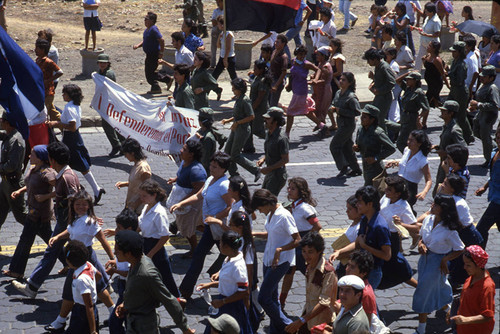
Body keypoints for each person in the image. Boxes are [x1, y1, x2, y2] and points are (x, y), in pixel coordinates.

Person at [11, 142, 80, 298]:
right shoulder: (62, 174)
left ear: (52, 159)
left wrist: (73, 224)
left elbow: (76, 199)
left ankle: (31, 286)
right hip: (64, 221)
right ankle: (104, 284)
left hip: (64, 221)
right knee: (58, 250)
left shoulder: (65, 177)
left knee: (54, 251)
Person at [46, 189, 115, 332]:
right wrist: (58, 237)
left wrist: (113, 259)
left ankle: (60, 321)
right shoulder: (76, 219)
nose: (80, 207)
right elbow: (70, 230)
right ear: (73, 205)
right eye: (78, 204)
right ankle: (114, 313)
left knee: (70, 291)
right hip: (78, 257)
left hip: (84, 258)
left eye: (84, 204)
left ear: (89, 206)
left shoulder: (90, 222)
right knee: (100, 287)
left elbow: (103, 241)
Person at [171, 152, 233, 299]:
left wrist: (216, 218)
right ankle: (185, 292)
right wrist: (181, 203)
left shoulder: (224, 185)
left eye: (215, 167)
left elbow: (231, 206)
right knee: (198, 256)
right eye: (211, 165)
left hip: (220, 229)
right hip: (210, 228)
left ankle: (234, 287)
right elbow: (199, 195)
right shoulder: (211, 179)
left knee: (230, 257)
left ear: (224, 169)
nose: (211, 168)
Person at [113, 230, 195, 334]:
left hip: (144, 327)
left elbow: (167, 299)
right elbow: (138, 292)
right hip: (133, 322)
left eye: (117, 251)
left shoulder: (146, 273)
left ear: (128, 253)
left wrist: (185, 328)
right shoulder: (135, 262)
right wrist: (125, 304)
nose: (115, 253)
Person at [3, 145, 63, 279]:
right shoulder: (34, 169)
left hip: (39, 214)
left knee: (25, 241)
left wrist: (46, 196)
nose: (29, 156)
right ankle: (68, 262)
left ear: (41, 158)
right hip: (34, 211)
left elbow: (61, 189)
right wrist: (20, 191)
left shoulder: (47, 173)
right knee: (51, 239)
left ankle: (16, 271)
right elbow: (31, 183)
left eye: (33, 154)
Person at [412, 194, 464, 334]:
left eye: (435, 205)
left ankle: (421, 329)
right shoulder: (429, 219)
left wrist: (445, 259)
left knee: (423, 292)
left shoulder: (449, 230)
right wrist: (421, 245)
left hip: (437, 264)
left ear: (443, 209)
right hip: (424, 260)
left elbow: (460, 248)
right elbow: (422, 237)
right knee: (436, 289)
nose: (432, 206)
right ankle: (450, 309)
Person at [47, 84, 105, 205]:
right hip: (72, 138)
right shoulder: (74, 106)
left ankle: (93, 189)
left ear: (70, 95)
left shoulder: (70, 108)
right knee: (74, 165)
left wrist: (56, 123)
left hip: (71, 139)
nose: (62, 95)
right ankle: (94, 189)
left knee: (68, 164)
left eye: (65, 93)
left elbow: (72, 126)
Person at [252, 188, 300, 334]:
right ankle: (276, 329)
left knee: (263, 298)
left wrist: (280, 250)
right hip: (268, 260)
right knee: (273, 299)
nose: (260, 212)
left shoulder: (284, 216)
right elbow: (271, 234)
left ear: (267, 203)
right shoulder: (271, 214)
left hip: (280, 262)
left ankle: (288, 325)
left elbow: (297, 240)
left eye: (260, 208)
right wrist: (254, 234)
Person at [197, 231, 253, 334]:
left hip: (232, 306)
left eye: (220, 243)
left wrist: (222, 302)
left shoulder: (238, 267)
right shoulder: (228, 258)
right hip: (224, 302)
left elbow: (244, 292)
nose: (219, 245)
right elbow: (229, 283)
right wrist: (210, 284)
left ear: (226, 246)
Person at [280, 177, 322, 308]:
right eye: (289, 188)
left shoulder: (305, 208)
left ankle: (321, 300)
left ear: (301, 191)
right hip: (296, 246)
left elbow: (317, 226)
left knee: (311, 275)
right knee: (289, 272)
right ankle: (281, 301)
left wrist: (305, 242)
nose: (289, 190)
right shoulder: (294, 206)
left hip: (302, 246)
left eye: (293, 188)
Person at [284, 231, 336, 333]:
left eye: (310, 252)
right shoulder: (309, 267)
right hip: (308, 319)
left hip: (322, 324)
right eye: (304, 251)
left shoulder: (327, 272)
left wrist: (301, 320)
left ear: (319, 251)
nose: (306, 256)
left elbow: (324, 303)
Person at [137, 179, 181, 298]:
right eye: (140, 195)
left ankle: (177, 300)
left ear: (154, 195)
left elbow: (164, 236)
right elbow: (141, 225)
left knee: (166, 277)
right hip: (145, 243)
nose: (141, 198)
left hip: (155, 247)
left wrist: (151, 254)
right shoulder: (146, 206)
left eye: (144, 196)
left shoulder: (159, 213)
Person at [439, 175, 483, 289]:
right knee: (457, 262)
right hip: (459, 233)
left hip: (467, 236)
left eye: (445, 184)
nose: (442, 185)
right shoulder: (445, 198)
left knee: (463, 262)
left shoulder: (458, 203)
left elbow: (454, 223)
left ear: (452, 189)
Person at [166, 140, 206, 257]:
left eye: (184, 149)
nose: (181, 150)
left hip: (190, 206)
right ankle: (216, 235)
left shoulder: (196, 171)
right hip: (183, 202)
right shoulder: (185, 162)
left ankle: (194, 250)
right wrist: (175, 179)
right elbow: (182, 175)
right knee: (198, 225)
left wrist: (183, 202)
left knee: (188, 229)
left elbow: (199, 190)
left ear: (191, 154)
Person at [377, 175, 418, 289]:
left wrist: (401, 224)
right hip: (378, 236)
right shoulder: (386, 198)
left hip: (390, 241)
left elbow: (415, 228)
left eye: (389, 190)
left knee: (402, 272)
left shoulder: (403, 207)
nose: (386, 190)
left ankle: (424, 290)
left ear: (397, 194)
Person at [105, 208, 138, 334]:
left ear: (129, 229)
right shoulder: (124, 241)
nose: (116, 230)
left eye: (119, 227)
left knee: (115, 321)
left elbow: (131, 273)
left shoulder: (131, 247)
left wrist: (115, 271)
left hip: (129, 287)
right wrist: (115, 263)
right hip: (123, 286)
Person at [221, 78, 260, 180]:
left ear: (240, 89)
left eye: (234, 88)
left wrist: (237, 123)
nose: (233, 90)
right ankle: (234, 175)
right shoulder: (238, 98)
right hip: (236, 128)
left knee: (235, 154)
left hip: (242, 129)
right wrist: (228, 120)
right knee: (227, 152)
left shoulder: (245, 100)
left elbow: (251, 116)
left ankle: (255, 169)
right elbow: (238, 115)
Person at [386, 130, 432, 216]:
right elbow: (405, 163)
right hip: (397, 183)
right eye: (408, 139)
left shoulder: (422, 160)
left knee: (402, 211)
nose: (408, 142)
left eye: (412, 141)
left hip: (409, 189)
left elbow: (429, 180)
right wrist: (395, 162)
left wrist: (424, 192)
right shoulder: (406, 150)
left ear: (419, 143)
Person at [451, 245, 495, 334]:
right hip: (463, 329)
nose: (464, 267)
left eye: (468, 265)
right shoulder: (470, 278)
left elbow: (488, 316)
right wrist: (452, 311)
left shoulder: (487, 287)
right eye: (464, 264)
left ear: (478, 265)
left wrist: (466, 320)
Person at [353, 186, 391, 289]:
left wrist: (365, 246)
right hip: (361, 267)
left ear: (369, 204)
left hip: (373, 272)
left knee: (364, 299)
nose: (357, 205)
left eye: (359, 202)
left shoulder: (380, 227)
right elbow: (358, 241)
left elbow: (387, 255)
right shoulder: (365, 219)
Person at [354, 104, 396, 186]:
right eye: (362, 116)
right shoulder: (360, 129)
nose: (361, 118)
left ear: (372, 120)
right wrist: (356, 148)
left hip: (375, 168)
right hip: (365, 166)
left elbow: (391, 148)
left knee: (370, 190)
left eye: (365, 117)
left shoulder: (378, 132)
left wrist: (376, 158)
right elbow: (358, 144)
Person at [62, 240, 99, 334]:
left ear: (70, 262)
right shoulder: (88, 265)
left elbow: (89, 306)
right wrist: (92, 286)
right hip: (86, 310)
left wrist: (93, 330)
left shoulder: (81, 280)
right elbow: (99, 275)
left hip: (82, 313)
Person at [285, 46, 322, 138]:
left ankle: (287, 133)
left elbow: (318, 69)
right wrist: (289, 85)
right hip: (295, 89)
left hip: (301, 91)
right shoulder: (293, 61)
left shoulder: (306, 64)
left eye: (304, 55)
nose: (302, 57)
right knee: (306, 111)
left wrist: (316, 79)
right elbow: (291, 75)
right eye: (300, 54)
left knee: (290, 113)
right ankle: (322, 126)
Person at [330, 72, 362, 178]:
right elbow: (334, 103)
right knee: (347, 147)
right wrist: (332, 108)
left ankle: (344, 166)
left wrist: (340, 110)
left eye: (344, 80)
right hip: (341, 123)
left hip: (347, 125)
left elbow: (357, 112)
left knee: (334, 146)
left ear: (349, 83)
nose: (340, 81)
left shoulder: (351, 97)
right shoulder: (338, 93)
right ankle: (356, 168)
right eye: (340, 79)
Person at [0, 112, 27, 236]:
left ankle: (47, 234)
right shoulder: (8, 135)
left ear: (7, 122)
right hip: (5, 183)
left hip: (13, 184)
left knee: (21, 216)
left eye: (2, 120)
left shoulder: (15, 141)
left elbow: (11, 166)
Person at [431, 101, 465, 197]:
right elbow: (450, 143)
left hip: (450, 166)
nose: (442, 112)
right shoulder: (446, 126)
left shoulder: (454, 130)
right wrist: (438, 147)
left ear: (451, 113)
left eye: (444, 111)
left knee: (441, 192)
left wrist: (445, 152)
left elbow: (462, 149)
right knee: (438, 191)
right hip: (444, 163)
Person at [475, 125, 500, 249]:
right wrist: (484, 187)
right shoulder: (494, 153)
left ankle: (479, 260)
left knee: (480, 229)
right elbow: (494, 175)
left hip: (498, 203)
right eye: (498, 137)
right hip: (494, 197)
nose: (499, 141)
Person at [469, 65, 500, 167]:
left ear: (491, 78)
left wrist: (478, 105)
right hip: (481, 114)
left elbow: (495, 105)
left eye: (484, 76)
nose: (481, 78)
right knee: (477, 133)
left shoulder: (492, 88)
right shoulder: (483, 85)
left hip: (488, 116)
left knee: (485, 138)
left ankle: (489, 160)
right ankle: (495, 146)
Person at [96, 53, 125, 157]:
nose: (102, 64)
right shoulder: (100, 72)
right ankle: (123, 144)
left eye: (104, 63)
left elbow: (107, 88)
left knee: (107, 124)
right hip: (104, 101)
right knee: (113, 123)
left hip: (110, 102)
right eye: (100, 62)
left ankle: (117, 144)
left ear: (108, 63)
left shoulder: (109, 74)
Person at [257, 107, 290, 196]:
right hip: (270, 172)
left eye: (268, 119)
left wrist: (268, 168)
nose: (265, 121)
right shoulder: (269, 133)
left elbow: (285, 160)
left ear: (275, 121)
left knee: (267, 200)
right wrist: (264, 159)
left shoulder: (281, 138)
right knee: (263, 198)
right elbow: (273, 150)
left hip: (277, 175)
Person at [395, 71, 430, 153]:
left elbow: (426, 108)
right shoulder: (408, 89)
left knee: (401, 142)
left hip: (412, 118)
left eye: (409, 79)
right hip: (405, 117)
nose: (407, 81)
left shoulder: (419, 92)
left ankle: (409, 156)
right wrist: (408, 73)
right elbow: (397, 81)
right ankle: (411, 155)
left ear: (415, 81)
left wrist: (420, 118)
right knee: (409, 141)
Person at [114, 138, 151, 215]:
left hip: (138, 209)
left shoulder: (143, 168)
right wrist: (125, 183)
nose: (125, 156)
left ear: (132, 153)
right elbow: (138, 182)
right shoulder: (136, 164)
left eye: (126, 154)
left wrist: (135, 205)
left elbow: (147, 189)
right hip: (131, 206)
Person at [447, 41, 474, 144]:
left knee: (461, 115)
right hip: (454, 90)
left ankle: (469, 135)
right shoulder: (454, 62)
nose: (453, 53)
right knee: (448, 108)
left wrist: (450, 74)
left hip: (460, 91)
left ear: (459, 52)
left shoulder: (462, 64)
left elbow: (459, 80)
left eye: (454, 51)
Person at [364, 48, 396, 131]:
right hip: (379, 97)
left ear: (374, 59)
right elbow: (381, 79)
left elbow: (391, 82)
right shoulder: (377, 66)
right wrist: (373, 77)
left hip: (384, 97)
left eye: (369, 60)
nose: (368, 62)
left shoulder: (384, 67)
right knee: (376, 117)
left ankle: (385, 136)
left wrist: (379, 90)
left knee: (379, 120)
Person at [329, 195, 361, 278]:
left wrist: (340, 252)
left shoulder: (359, 227)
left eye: (350, 209)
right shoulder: (354, 223)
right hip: (344, 261)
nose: (347, 211)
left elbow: (357, 245)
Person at [133, 12, 165, 94]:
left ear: (152, 20)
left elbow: (161, 40)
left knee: (150, 72)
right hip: (149, 54)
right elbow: (145, 41)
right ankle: (167, 80)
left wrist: (161, 52)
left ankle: (156, 87)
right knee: (149, 71)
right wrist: (138, 46)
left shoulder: (154, 29)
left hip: (154, 54)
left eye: (146, 19)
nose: (145, 21)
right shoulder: (147, 30)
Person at [245, 59, 271, 152]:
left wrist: (251, 110)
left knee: (257, 130)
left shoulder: (263, 81)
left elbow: (260, 98)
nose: (254, 70)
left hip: (259, 109)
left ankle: (272, 139)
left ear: (261, 70)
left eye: (255, 68)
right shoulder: (257, 77)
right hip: (253, 106)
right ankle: (248, 147)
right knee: (249, 127)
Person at [35, 38, 63, 122]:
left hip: (48, 91)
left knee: (50, 111)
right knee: (47, 111)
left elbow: (60, 72)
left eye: (37, 48)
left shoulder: (48, 61)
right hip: (40, 91)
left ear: (43, 50)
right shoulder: (38, 60)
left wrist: (48, 81)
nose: (35, 50)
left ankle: (65, 125)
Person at [196, 107, 226, 173]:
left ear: (200, 121)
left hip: (205, 172)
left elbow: (205, 161)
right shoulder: (202, 131)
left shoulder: (207, 138)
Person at [413, 2, 441, 71]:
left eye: (426, 11)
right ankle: (415, 73)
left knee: (434, 60)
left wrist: (425, 35)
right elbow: (424, 29)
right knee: (419, 59)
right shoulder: (427, 18)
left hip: (432, 45)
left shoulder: (436, 21)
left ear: (431, 12)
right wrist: (416, 28)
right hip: (424, 43)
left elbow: (437, 34)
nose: (425, 12)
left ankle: (441, 71)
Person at [422, 41, 448, 111]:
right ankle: (442, 110)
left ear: (434, 49)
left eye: (430, 46)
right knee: (435, 101)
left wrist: (448, 85)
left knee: (427, 101)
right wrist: (424, 61)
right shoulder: (428, 56)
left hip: (435, 84)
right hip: (430, 84)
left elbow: (442, 73)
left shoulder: (436, 60)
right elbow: (428, 67)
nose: (427, 47)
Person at [311, 46, 333, 126]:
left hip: (324, 91)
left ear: (323, 56)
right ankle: (321, 126)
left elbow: (323, 80)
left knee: (320, 110)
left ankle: (323, 128)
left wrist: (312, 82)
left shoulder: (325, 66)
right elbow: (317, 74)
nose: (316, 57)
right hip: (318, 90)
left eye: (318, 55)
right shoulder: (321, 64)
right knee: (316, 109)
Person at [212, 15, 237, 81]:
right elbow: (218, 46)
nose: (218, 26)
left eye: (219, 24)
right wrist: (219, 38)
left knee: (233, 76)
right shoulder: (222, 33)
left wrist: (225, 59)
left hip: (229, 57)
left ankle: (239, 89)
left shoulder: (229, 34)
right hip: (222, 56)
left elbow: (228, 48)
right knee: (215, 75)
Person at [269, 34, 289, 107]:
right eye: (275, 41)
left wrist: (276, 85)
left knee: (273, 104)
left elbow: (284, 73)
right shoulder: (274, 51)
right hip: (271, 79)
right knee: (269, 101)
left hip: (277, 81)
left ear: (283, 44)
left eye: (278, 42)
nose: (275, 43)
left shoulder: (284, 57)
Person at [210, 0, 223, 67]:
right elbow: (213, 22)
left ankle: (221, 63)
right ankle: (212, 64)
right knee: (213, 47)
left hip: (223, 30)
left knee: (223, 46)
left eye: (219, 2)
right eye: (217, 2)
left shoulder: (226, 10)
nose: (218, 4)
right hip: (217, 29)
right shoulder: (216, 11)